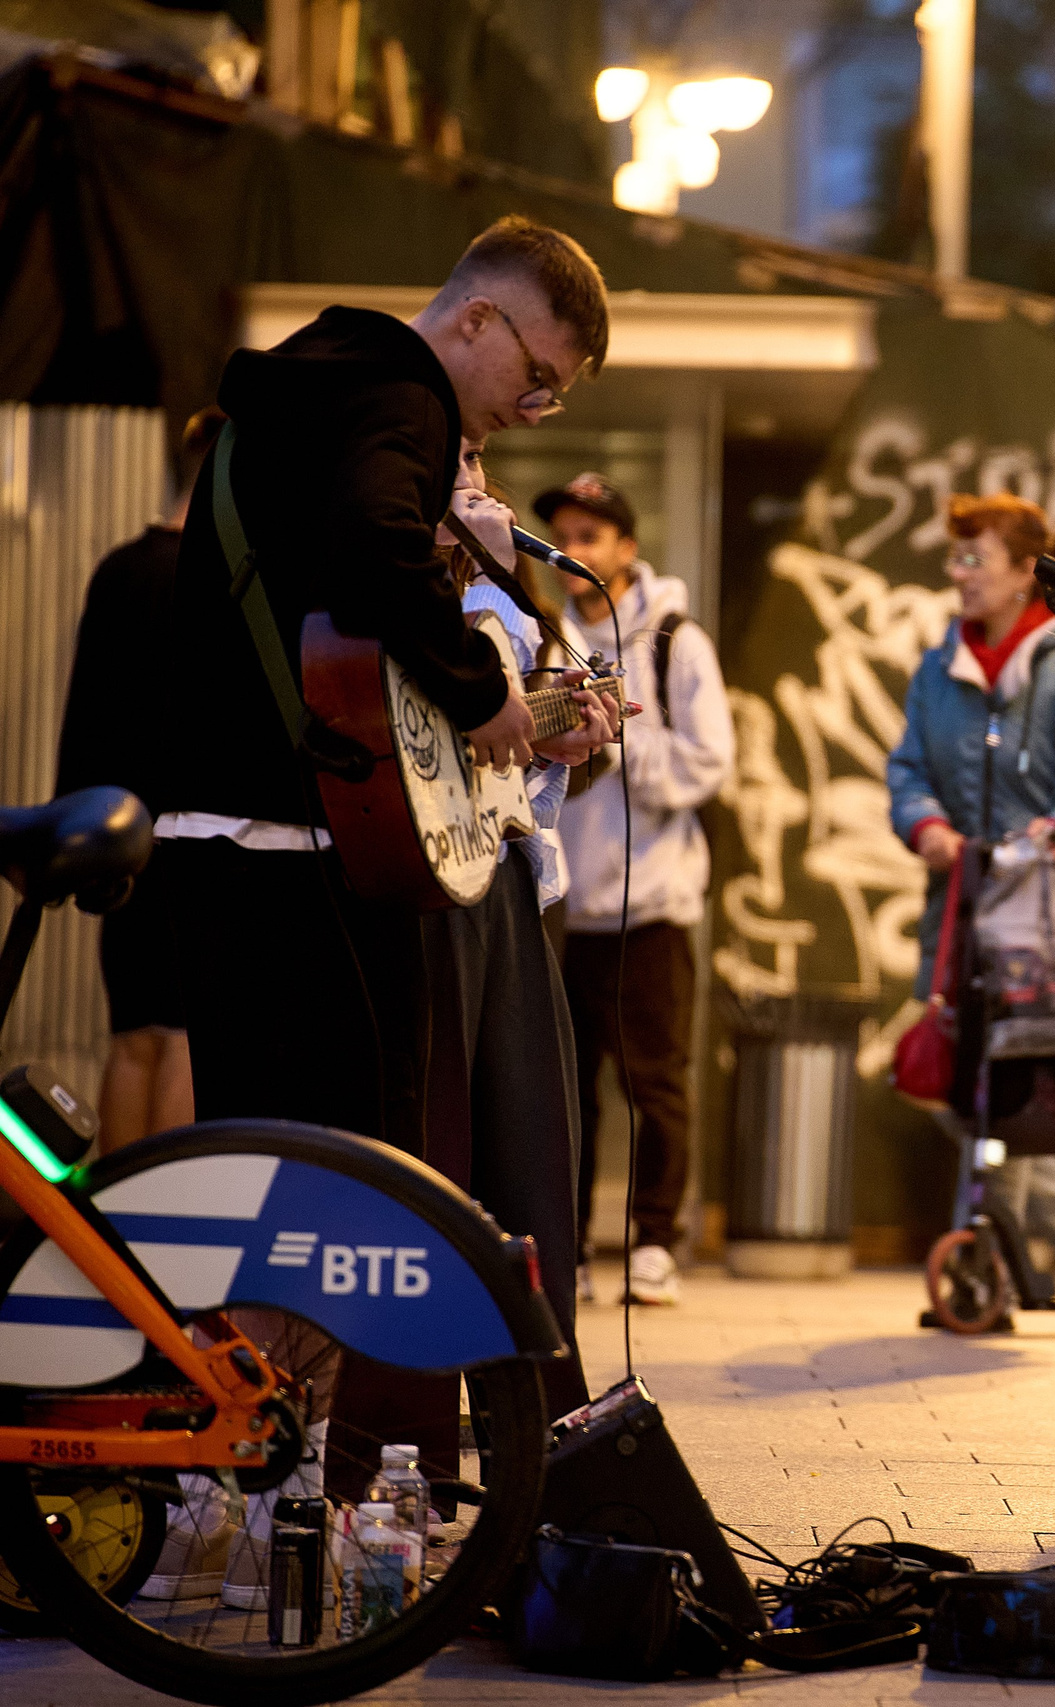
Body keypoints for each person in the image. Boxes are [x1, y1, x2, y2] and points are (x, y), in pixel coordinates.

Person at [146, 214, 608, 1582]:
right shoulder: (392, 388)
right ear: (475, 320)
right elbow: (371, 543)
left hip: (228, 844)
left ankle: (218, 1492)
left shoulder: (298, 386)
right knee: (368, 1183)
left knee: (257, 1175)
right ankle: (316, 1500)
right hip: (305, 861)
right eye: (533, 377)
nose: (528, 410)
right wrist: (488, 694)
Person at [886, 492, 1055, 1297]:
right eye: (953, 558)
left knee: (1008, 1089)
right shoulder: (936, 668)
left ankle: (985, 1276)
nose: (958, 574)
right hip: (957, 912)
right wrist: (926, 827)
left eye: (973, 558)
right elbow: (908, 769)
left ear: (1027, 571)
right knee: (956, 1083)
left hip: (1041, 925)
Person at [419, 445, 612, 1417]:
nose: (479, 483)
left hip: (505, 878)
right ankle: (413, 1434)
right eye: (457, 464)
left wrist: (570, 731)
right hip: (424, 893)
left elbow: (527, 743)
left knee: (531, 1160)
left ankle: (536, 1427)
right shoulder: (400, 581)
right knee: (438, 1161)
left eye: (480, 464)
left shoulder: (514, 602)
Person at [548, 472, 738, 1307]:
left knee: (655, 1080)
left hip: (652, 904)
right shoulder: (541, 639)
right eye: (565, 536)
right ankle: (572, 1247)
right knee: (566, 1090)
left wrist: (619, 739)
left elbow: (710, 762)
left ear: (627, 548)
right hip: (561, 906)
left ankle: (655, 1240)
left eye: (592, 536)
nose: (575, 552)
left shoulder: (673, 640)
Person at [54, 406, 223, 1150]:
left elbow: (82, 718)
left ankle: (109, 1234)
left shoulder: (121, 567)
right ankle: (163, 1245)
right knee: (192, 1037)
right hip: (197, 843)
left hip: (117, 846)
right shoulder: (220, 583)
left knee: (133, 1038)